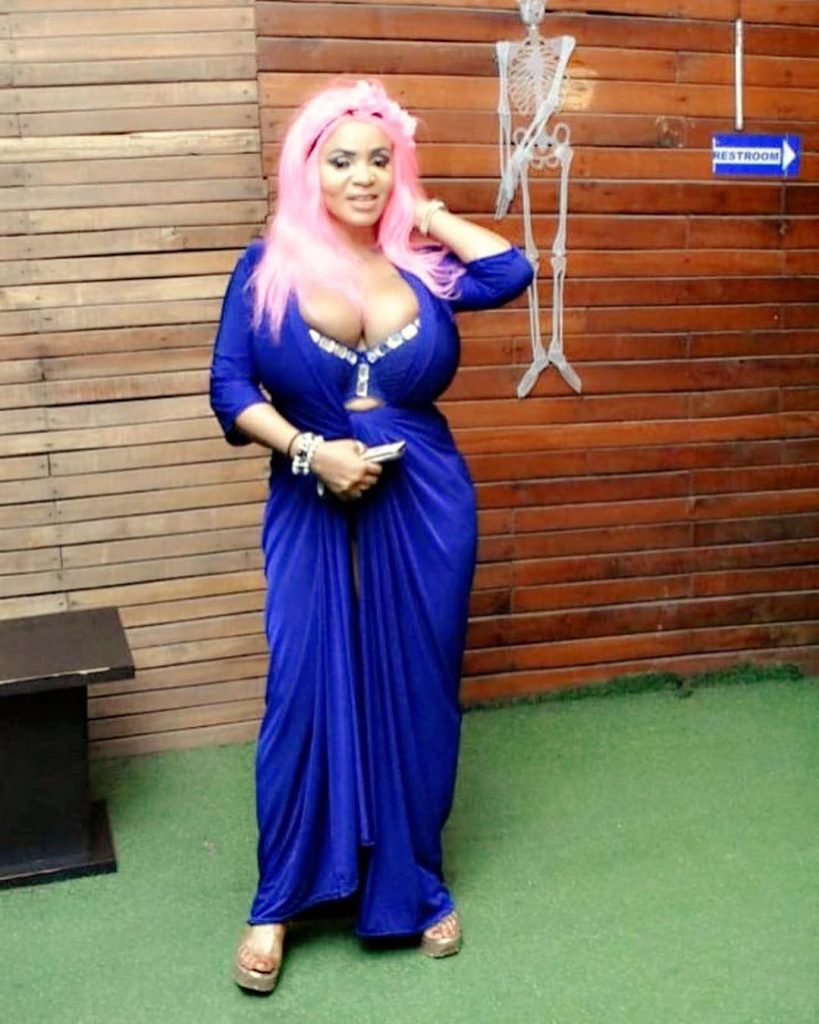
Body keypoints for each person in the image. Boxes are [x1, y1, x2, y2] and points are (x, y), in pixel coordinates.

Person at [209, 78, 533, 993]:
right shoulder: (265, 268)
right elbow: (229, 389)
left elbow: (510, 272)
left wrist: (426, 214)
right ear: (306, 170)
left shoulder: (423, 268)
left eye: (380, 160)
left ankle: (412, 884)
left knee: (417, 687)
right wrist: (310, 451)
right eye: (341, 160)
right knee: (303, 686)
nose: (362, 176)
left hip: (425, 498)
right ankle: (277, 899)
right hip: (309, 490)